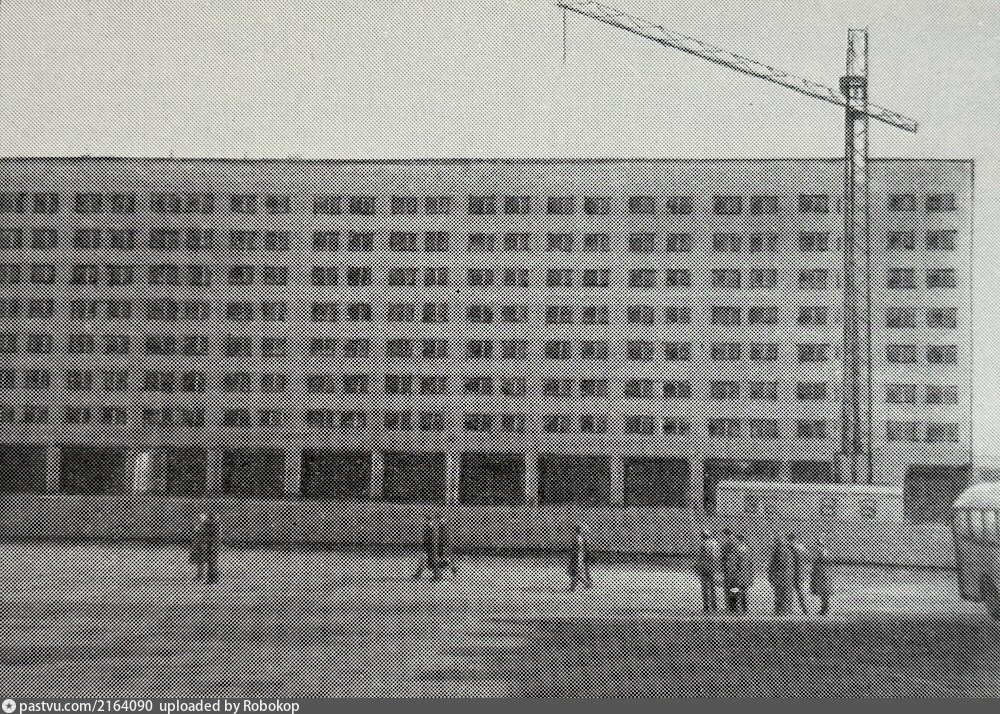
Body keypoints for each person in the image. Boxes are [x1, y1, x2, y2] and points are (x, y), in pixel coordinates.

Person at [725, 532, 754, 614]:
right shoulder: (748, 549)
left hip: (737, 574)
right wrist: (751, 575)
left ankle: (734, 609)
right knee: (743, 591)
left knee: (734, 590)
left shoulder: (735, 550)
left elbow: (732, 563)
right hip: (745, 574)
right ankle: (744, 608)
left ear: (738, 540)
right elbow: (751, 564)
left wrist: (730, 573)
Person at [695, 529, 722, 613]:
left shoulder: (703, 544)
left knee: (705, 587)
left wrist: (697, 567)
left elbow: (700, 557)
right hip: (713, 568)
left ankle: (706, 606)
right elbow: (717, 556)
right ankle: (714, 605)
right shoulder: (715, 543)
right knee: (712, 587)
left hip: (705, 568)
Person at [767, 535, 794, 615]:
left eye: (777, 541)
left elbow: (779, 564)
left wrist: (772, 573)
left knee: (782, 593)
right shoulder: (784, 551)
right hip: (784, 576)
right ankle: (784, 610)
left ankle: (783, 610)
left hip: (782, 576)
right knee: (783, 593)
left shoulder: (782, 551)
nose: (776, 543)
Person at [567, 522, 594, 592]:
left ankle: (576, 586)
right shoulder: (580, 538)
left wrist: (578, 558)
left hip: (577, 557)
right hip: (579, 556)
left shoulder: (577, 538)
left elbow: (577, 549)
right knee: (577, 572)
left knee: (577, 573)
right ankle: (585, 584)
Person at [788, 532, 811, 615]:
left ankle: (804, 609)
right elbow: (808, 557)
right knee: (799, 591)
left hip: (794, 572)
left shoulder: (791, 548)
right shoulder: (801, 547)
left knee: (795, 591)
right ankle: (804, 609)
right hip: (799, 572)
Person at [810, 537, 833, 616]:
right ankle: (824, 608)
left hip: (823, 574)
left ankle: (825, 609)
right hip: (821, 574)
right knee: (822, 592)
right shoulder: (821, 551)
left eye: (820, 543)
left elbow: (824, 561)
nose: (818, 545)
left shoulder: (823, 551)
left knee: (824, 592)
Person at [412, 514, 438, 581]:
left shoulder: (431, 528)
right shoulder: (429, 527)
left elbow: (431, 539)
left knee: (430, 561)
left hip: (430, 547)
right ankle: (418, 574)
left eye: (427, 520)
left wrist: (428, 547)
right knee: (424, 560)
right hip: (428, 547)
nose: (425, 521)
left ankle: (437, 575)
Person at [719, 529, 738, 613]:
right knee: (734, 587)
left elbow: (723, 554)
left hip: (729, 568)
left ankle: (731, 607)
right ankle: (734, 606)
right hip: (734, 568)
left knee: (729, 587)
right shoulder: (735, 541)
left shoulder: (728, 542)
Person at [189, 513, 209, 580]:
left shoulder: (204, 527)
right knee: (199, 560)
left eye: (198, 519)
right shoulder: (197, 526)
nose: (196, 520)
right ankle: (199, 574)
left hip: (202, 544)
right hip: (197, 544)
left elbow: (204, 536)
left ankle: (201, 574)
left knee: (201, 560)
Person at [202, 513, 220, 584]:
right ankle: (214, 577)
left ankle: (211, 578)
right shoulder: (215, 524)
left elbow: (206, 534)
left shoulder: (211, 525)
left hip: (211, 544)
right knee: (213, 562)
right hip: (212, 544)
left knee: (211, 562)